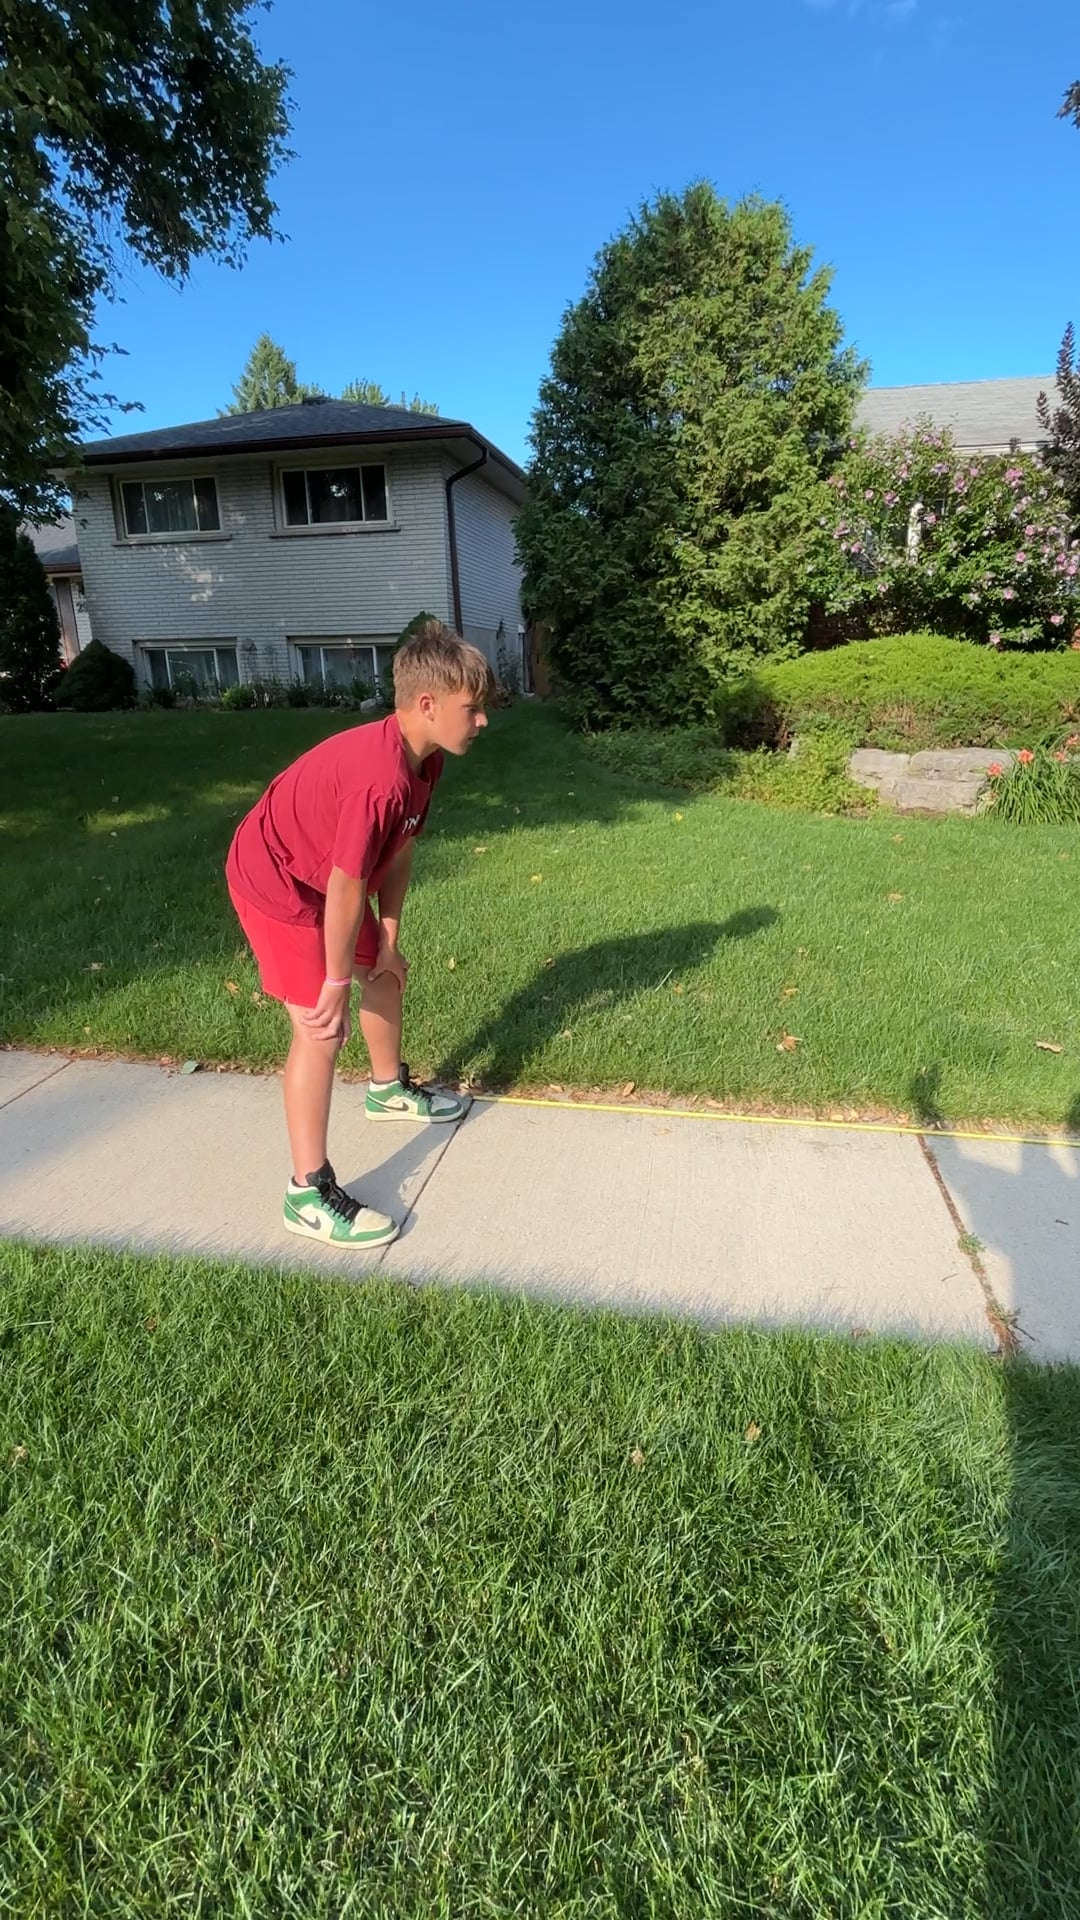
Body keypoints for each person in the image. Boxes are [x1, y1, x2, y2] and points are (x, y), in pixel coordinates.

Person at [225, 620, 491, 1250]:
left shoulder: (422, 762)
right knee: (321, 1029)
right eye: (472, 708)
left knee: (388, 973)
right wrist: (336, 981)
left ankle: (387, 1090)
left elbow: (398, 853)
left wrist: (389, 940)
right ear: (427, 705)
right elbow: (346, 885)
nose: (482, 721)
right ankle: (307, 1192)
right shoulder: (380, 778)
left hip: (324, 879)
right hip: (279, 883)